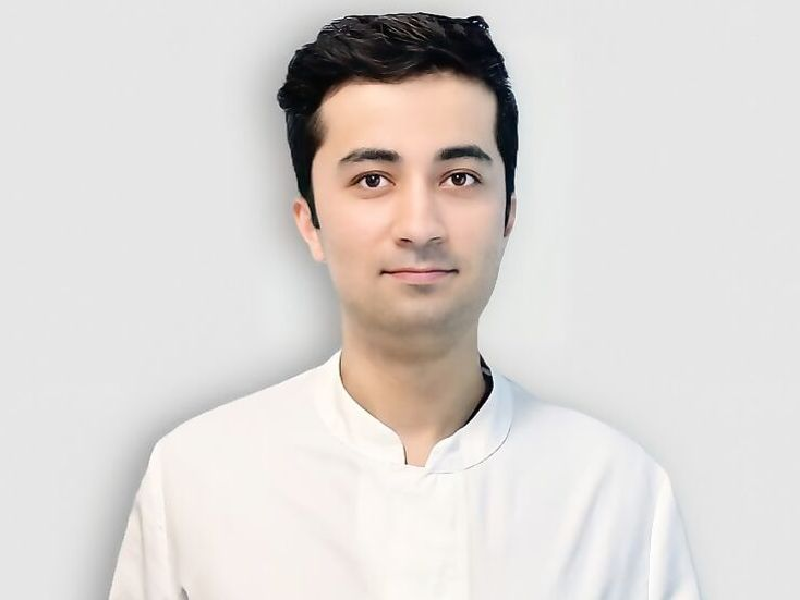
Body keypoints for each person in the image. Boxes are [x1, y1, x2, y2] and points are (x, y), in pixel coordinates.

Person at [108, 12, 701, 599]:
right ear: (310, 223)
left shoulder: (617, 493)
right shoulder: (197, 478)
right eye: (372, 179)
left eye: (459, 178)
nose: (420, 226)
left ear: (508, 215)